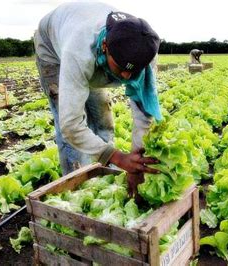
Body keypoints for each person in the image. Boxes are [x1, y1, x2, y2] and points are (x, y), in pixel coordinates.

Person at [34, 2, 162, 196]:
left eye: (133, 71)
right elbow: (70, 125)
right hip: (52, 51)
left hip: (92, 45)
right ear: (104, 47)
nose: (127, 77)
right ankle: (76, 190)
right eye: (121, 68)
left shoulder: (144, 52)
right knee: (71, 137)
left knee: (103, 121)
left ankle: (103, 173)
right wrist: (117, 156)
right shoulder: (78, 51)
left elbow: (144, 113)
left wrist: (135, 163)